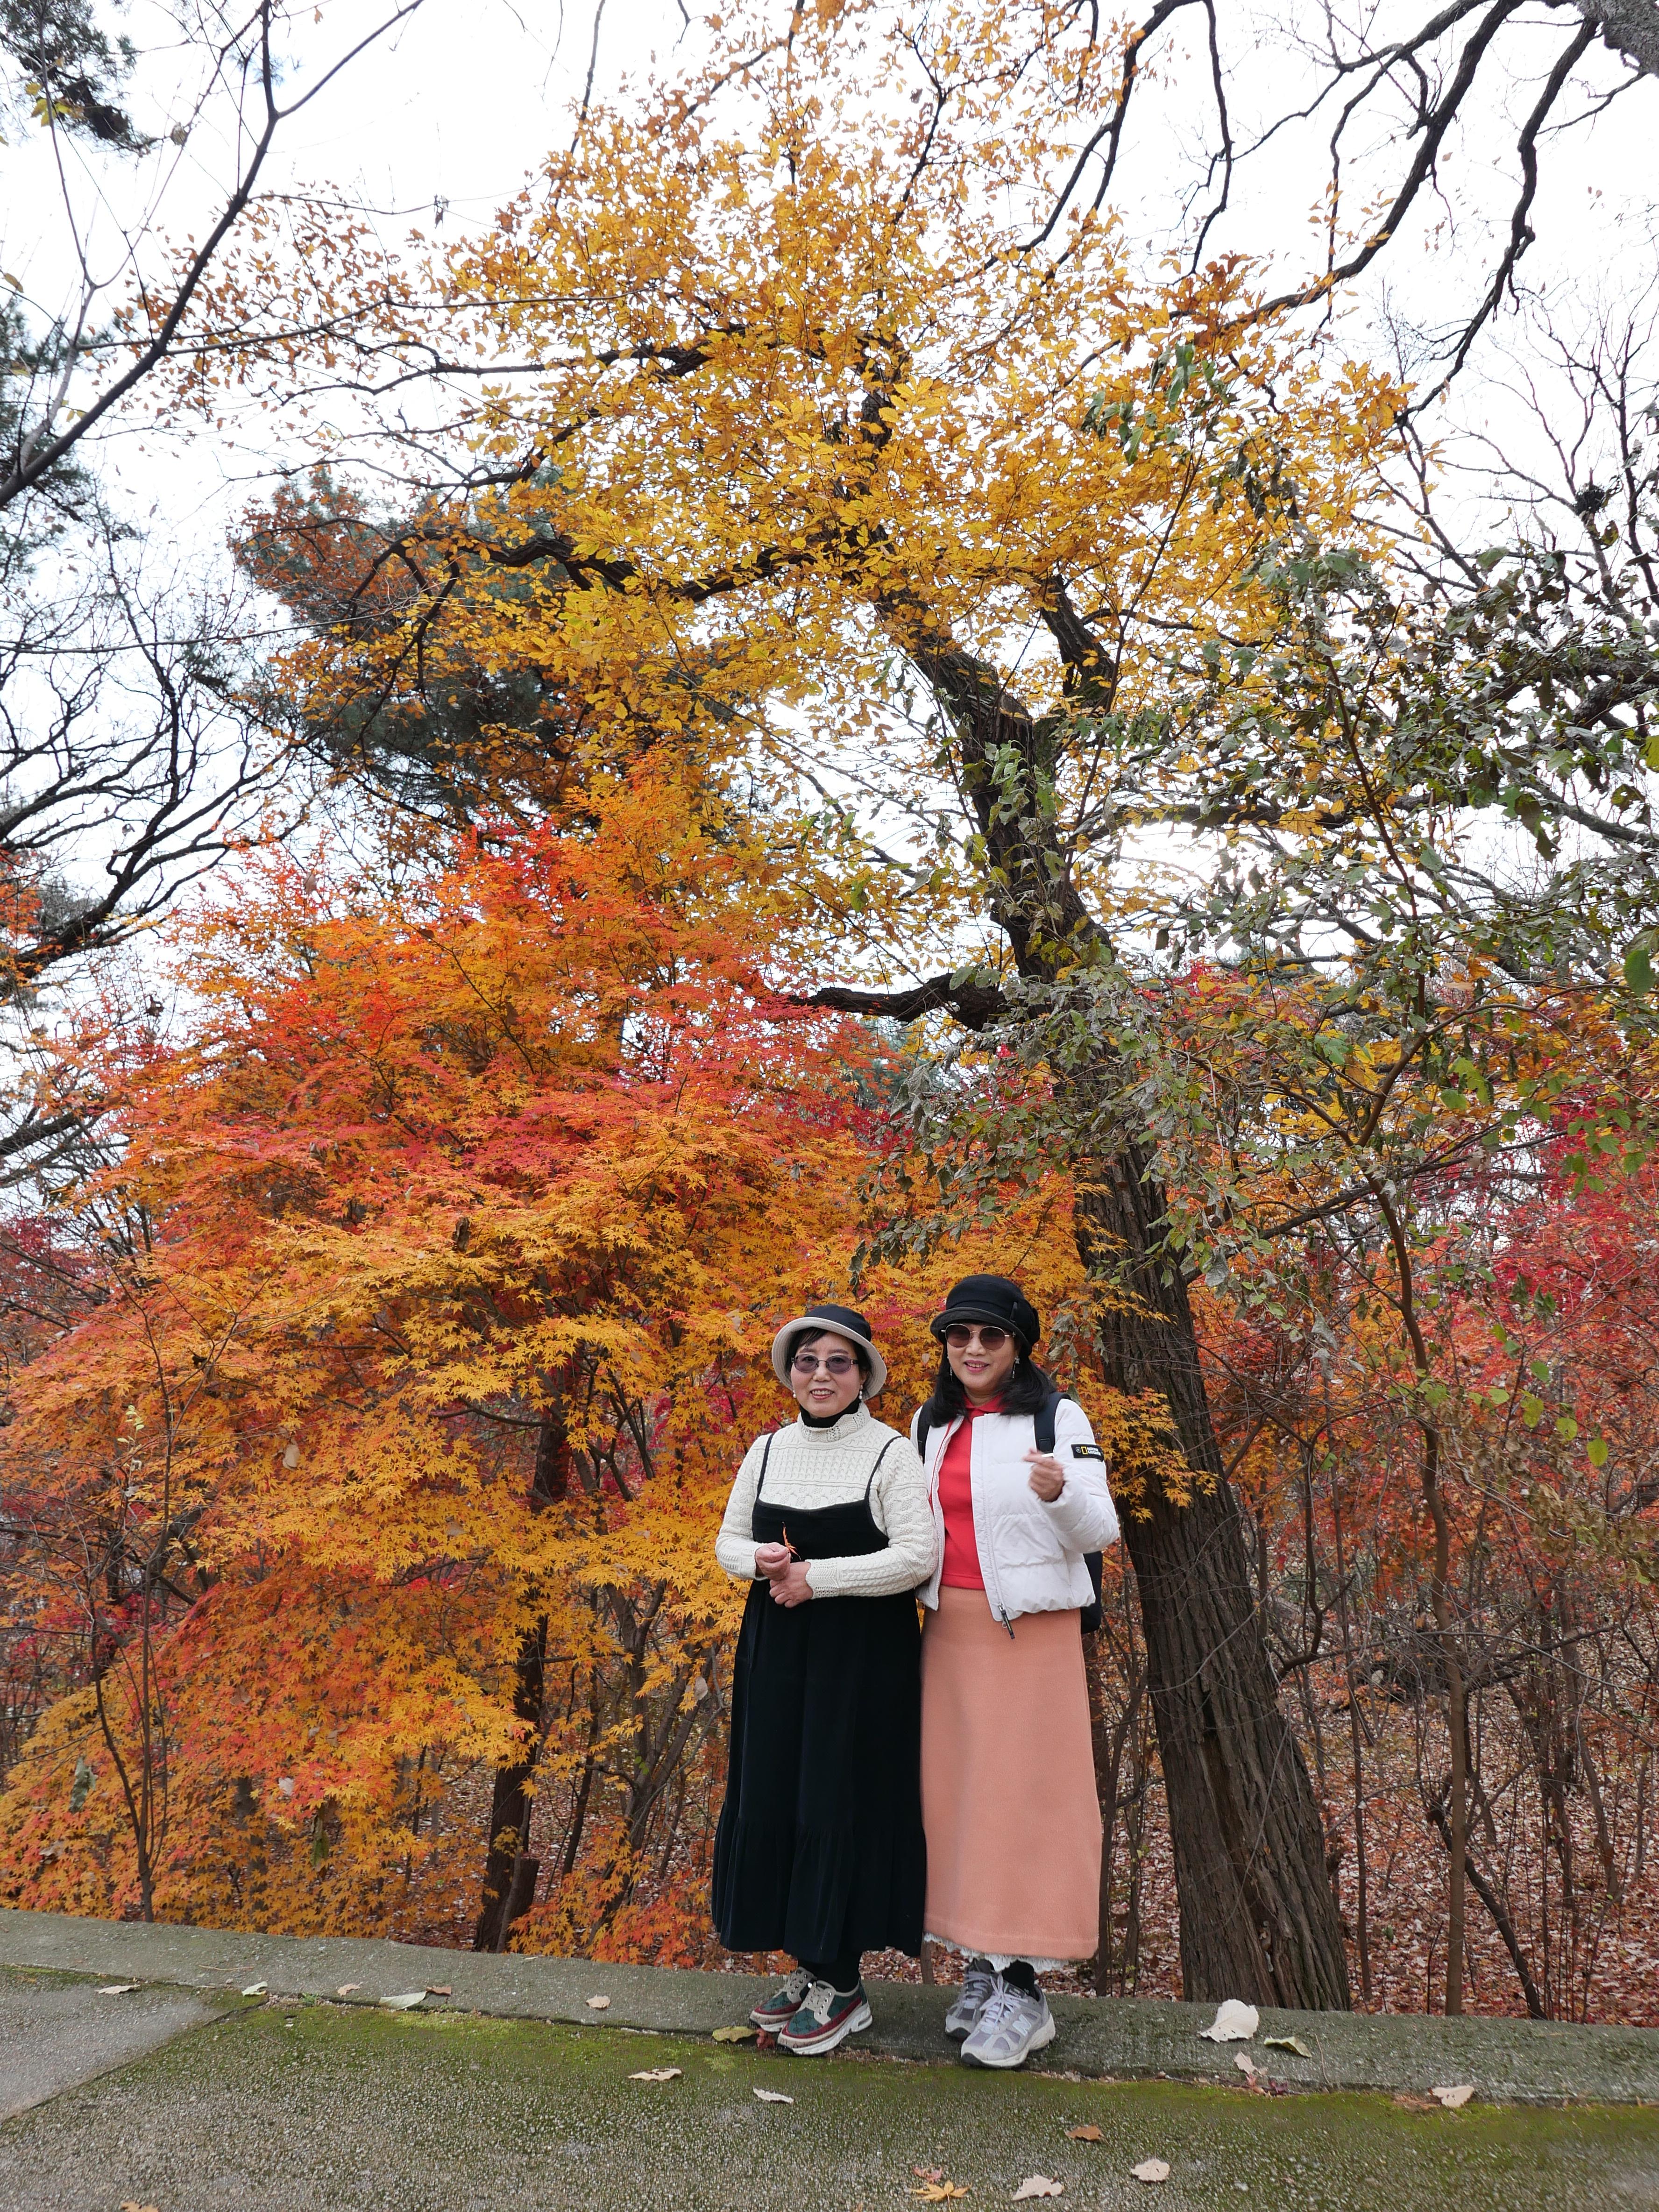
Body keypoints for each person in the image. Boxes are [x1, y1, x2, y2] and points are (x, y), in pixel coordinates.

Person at [711, 1301, 936, 2055]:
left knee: (840, 1796)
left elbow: (917, 1556)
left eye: (839, 1363)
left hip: (862, 1661)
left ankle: (843, 1982)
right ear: (791, 1373)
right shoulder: (767, 1449)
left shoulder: (890, 1452)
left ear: (863, 1375)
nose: (821, 1375)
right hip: (777, 1650)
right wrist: (762, 1562)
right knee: (780, 1792)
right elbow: (727, 1542)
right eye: (807, 1361)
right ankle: (811, 1963)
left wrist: (818, 1578)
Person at [912, 1273, 1119, 2069]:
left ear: (1018, 1345)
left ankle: (1026, 1992)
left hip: (1031, 1632)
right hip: (950, 1631)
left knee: (1026, 1802)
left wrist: (1060, 1492)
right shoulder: (929, 1423)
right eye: (958, 1336)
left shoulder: (1057, 1418)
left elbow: (1099, 1530)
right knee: (960, 1799)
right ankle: (982, 1963)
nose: (973, 1349)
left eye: (990, 1336)